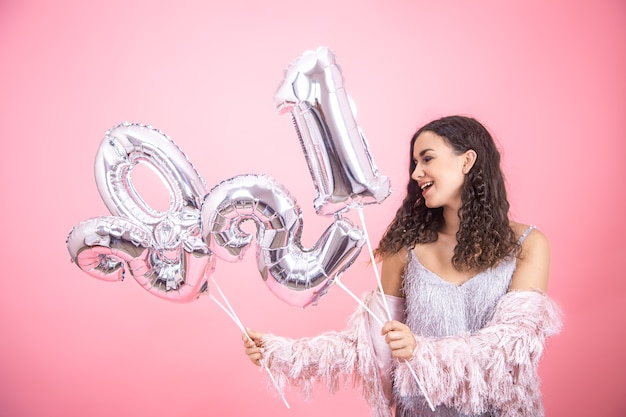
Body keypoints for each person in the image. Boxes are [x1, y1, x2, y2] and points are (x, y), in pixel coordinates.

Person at [242, 115, 562, 417]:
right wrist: (282, 353)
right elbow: (369, 346)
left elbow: (510, 349)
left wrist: (419, 352)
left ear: (467, 161)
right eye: (414, 163)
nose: (415, 173)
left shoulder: (528, 246)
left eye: (427, 158)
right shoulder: (404, 251)